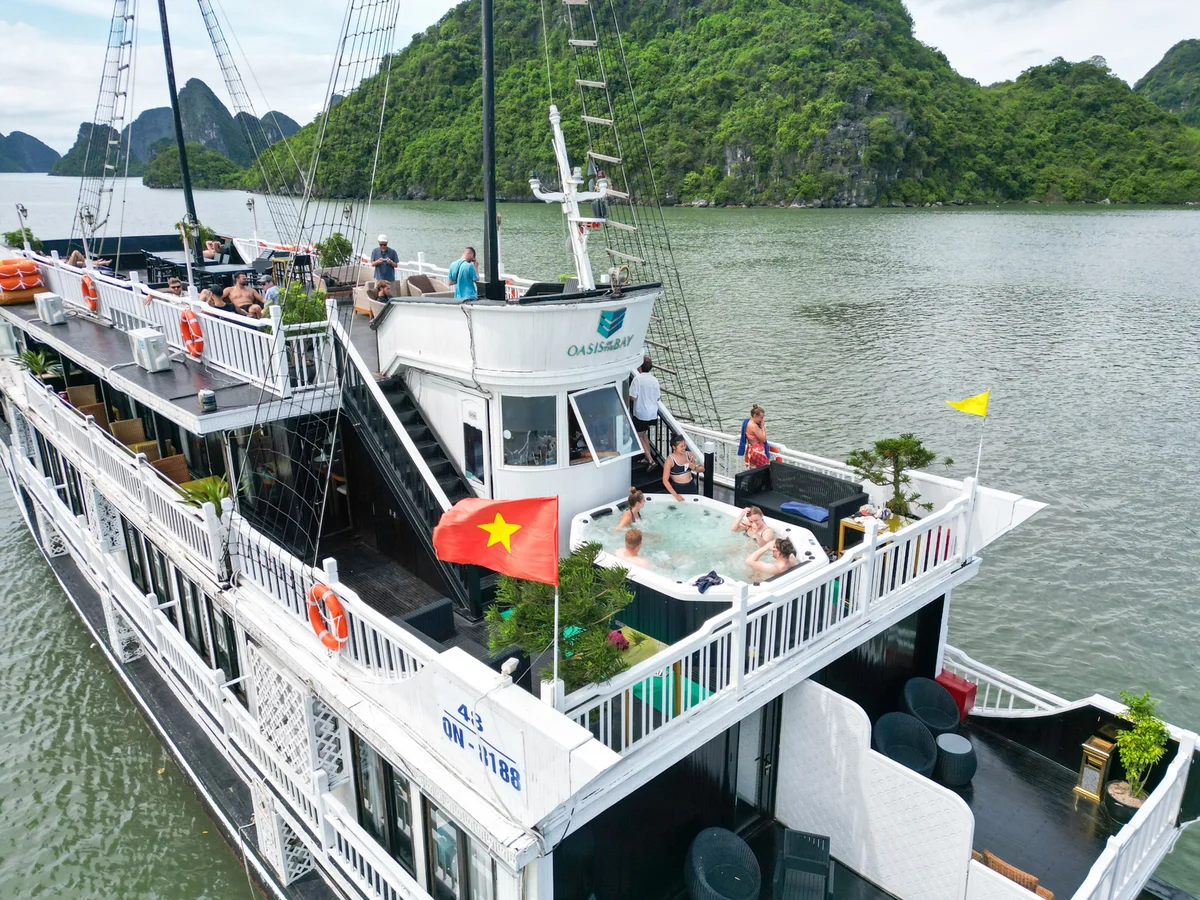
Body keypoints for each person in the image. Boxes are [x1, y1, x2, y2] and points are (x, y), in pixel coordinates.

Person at [628, 356, 661, 468]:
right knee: (643, 434)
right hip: (652, 413)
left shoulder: (637, 380)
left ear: (640, 367)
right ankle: (648, 457)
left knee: (638, 436)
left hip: (641, 413)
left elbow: (633, 397)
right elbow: (657, 397)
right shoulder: (654, 380)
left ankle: (651, 461)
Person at [661, 435, 704, 501]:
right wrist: (676, 495)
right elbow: (665, 480)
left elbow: (702, 468)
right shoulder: (669, 460)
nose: (684, 448)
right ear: (674, 447)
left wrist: (694, 468)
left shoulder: (691, 454)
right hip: (678, 488)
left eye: (684, 445)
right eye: (681, 446)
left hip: (691, 486)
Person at [741, 404, 771, 468]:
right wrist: (763, 427)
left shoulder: (747, 422)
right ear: (755, 415)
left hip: (751, 451)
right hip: (758, 451)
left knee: (754, 470)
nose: (762, 420)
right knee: (765, 469)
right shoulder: (754, 426)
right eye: (761, 417)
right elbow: (763, 439)